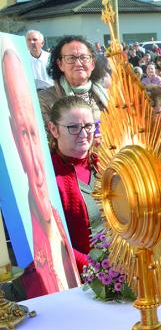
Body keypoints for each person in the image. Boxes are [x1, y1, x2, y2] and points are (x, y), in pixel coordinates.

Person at [3, 46, 80, 298]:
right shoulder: (22, 235)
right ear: (13, 136)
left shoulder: (56, 213)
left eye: (34, 134)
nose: (35, 158)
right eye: (24, 135)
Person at [46, 96, 106, 274]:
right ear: (53, 129)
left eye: (88, 126)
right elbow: (55, 243)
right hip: (81, 278)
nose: (83, 133)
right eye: (73, 127)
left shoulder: (103, 165)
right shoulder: (49, 177)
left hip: (118, 270)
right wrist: (98, 271)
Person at [38, 35, 108, 125]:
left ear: (92, 63)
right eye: (71, 58)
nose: (78, 63)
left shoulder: (107, 95)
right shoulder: (44, 100)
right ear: (60, 64)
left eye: (84, 58)